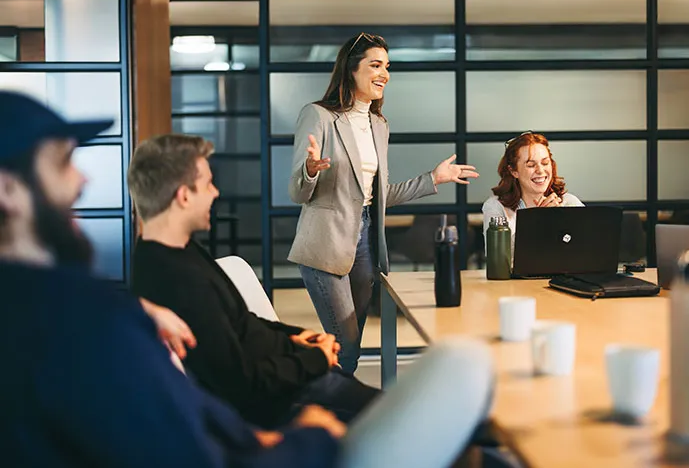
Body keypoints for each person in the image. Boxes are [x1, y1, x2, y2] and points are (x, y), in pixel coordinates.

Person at [0, 90, 497, 468]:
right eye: (63, 163)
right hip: (293, 437)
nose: (82, 181)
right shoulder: (77, 330)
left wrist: (134, 313)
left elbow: (207, 397)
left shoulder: (86, 309)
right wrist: (308, 434)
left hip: (268, 425)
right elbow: (200, 444)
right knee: (458, 392)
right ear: (8, 190)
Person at [129, 134, 380, 429]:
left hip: (290, 376)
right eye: (208, 184)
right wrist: (313, 360)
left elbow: (242, 323)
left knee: (404, 408)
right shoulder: (177, 281)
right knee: (403, 418)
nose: (215, 193)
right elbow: (242, 386)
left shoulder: (179, 252)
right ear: (184, 196)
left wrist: (296, 338)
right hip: (281, 406)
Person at [288, 32, 479, 373]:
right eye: (375, 65)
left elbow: (378, 196)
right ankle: (327, 408)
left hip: (365, 240)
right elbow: (298, 192)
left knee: (352, 343)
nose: (384, 74)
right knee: (345, 344)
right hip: (324, 242)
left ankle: (334, 402)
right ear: (351, 69)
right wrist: (311, 170)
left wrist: (433, 179)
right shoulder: (318, 116)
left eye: (387, 66)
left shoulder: (379, 125)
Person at [482, 131, 584, 260]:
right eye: (531, 165)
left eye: (545, 163)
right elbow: (497, 257)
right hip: (517, 281)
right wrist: (538, 221)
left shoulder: (569, 202)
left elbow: (590, 249)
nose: (540, 171)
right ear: (513, 171)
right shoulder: (496, 206)